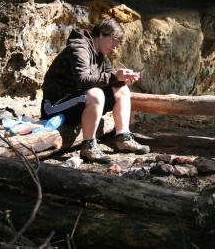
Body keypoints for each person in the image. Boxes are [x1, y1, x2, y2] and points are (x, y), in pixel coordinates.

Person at [41, 17, 150, 164]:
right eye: (114, 41)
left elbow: (110, 78)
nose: (115, 47)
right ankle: (88, 146)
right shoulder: (79, 48)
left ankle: (123, 138)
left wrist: (122, 78)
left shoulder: (101, 56)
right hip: (54, 106)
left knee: (122, 90)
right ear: (101, 34)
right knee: (96, 94)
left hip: (77, 102)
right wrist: (115, 76)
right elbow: (84, 80)